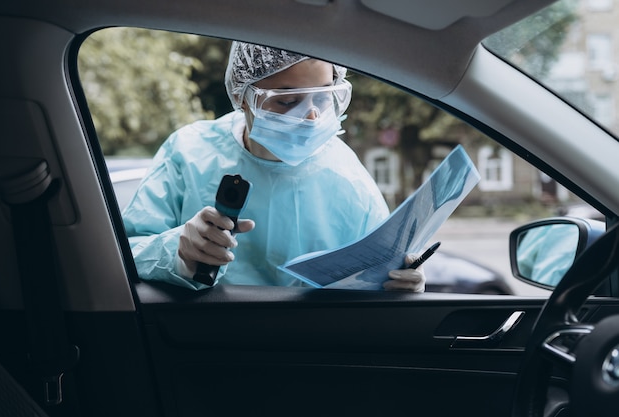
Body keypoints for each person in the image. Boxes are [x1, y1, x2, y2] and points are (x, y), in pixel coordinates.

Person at [123, 41, 426, 292]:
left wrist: (401, 283)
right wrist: (177, 251)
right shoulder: (189, 153)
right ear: (243, 97)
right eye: (288, 101)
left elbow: (379, 265)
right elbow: (124, 253)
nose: (311, 117)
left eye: (322, 98)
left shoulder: (346, 173)